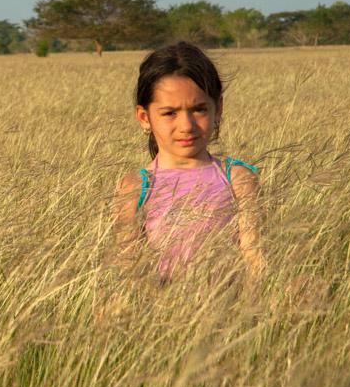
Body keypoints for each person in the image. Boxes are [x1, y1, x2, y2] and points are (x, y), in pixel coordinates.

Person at [112, 41, 264, 284]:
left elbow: (255, 259)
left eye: (199, 109)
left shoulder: (237, 178)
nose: (186, 126)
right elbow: (130, 268)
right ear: (144, 117)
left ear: (218, 108)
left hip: (233, 314)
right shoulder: (135, 187)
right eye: (169, 113)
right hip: (161, 315)